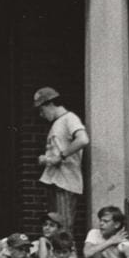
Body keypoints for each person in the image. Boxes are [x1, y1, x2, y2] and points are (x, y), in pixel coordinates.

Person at [34, 87, 89, 227]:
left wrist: (61, 156)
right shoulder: (57, 124)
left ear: (49, 104)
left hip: (65, 182)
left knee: (63, 229)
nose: (41, 115)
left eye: (41, 110)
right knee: (55, 227)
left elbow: (83, 139)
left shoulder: (69, 118)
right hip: (55, 181)